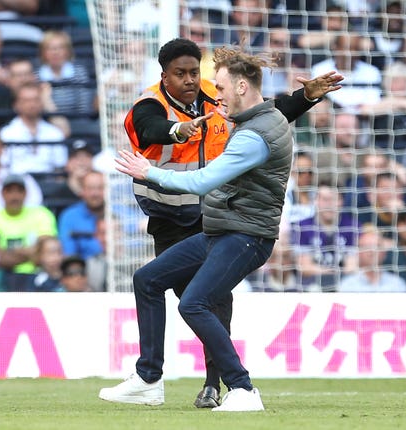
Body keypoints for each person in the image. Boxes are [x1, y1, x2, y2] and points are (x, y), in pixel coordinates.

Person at [101, 45, 342, 412]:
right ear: (164, 75)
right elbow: (151, 129)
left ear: (238, 86)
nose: (199, 85)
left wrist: (304, 98)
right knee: (149, 281)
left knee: (200, 302)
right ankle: (150, 379)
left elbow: (207, 177)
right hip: (181, 220)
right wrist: (180, 130)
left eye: (198, 74)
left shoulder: (249, 131)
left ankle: (234, 387)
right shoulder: (149, 105)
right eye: (182, 74)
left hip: (233, 226)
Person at [0, 174, 58, 281]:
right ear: (2, 194)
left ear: (26, 194)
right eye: (9, 191)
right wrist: (31, 252)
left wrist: (11, 252)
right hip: (4, 276)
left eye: (19, 191)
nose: (14, 196)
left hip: (38, 274)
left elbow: (45, 252)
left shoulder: (42, 214)